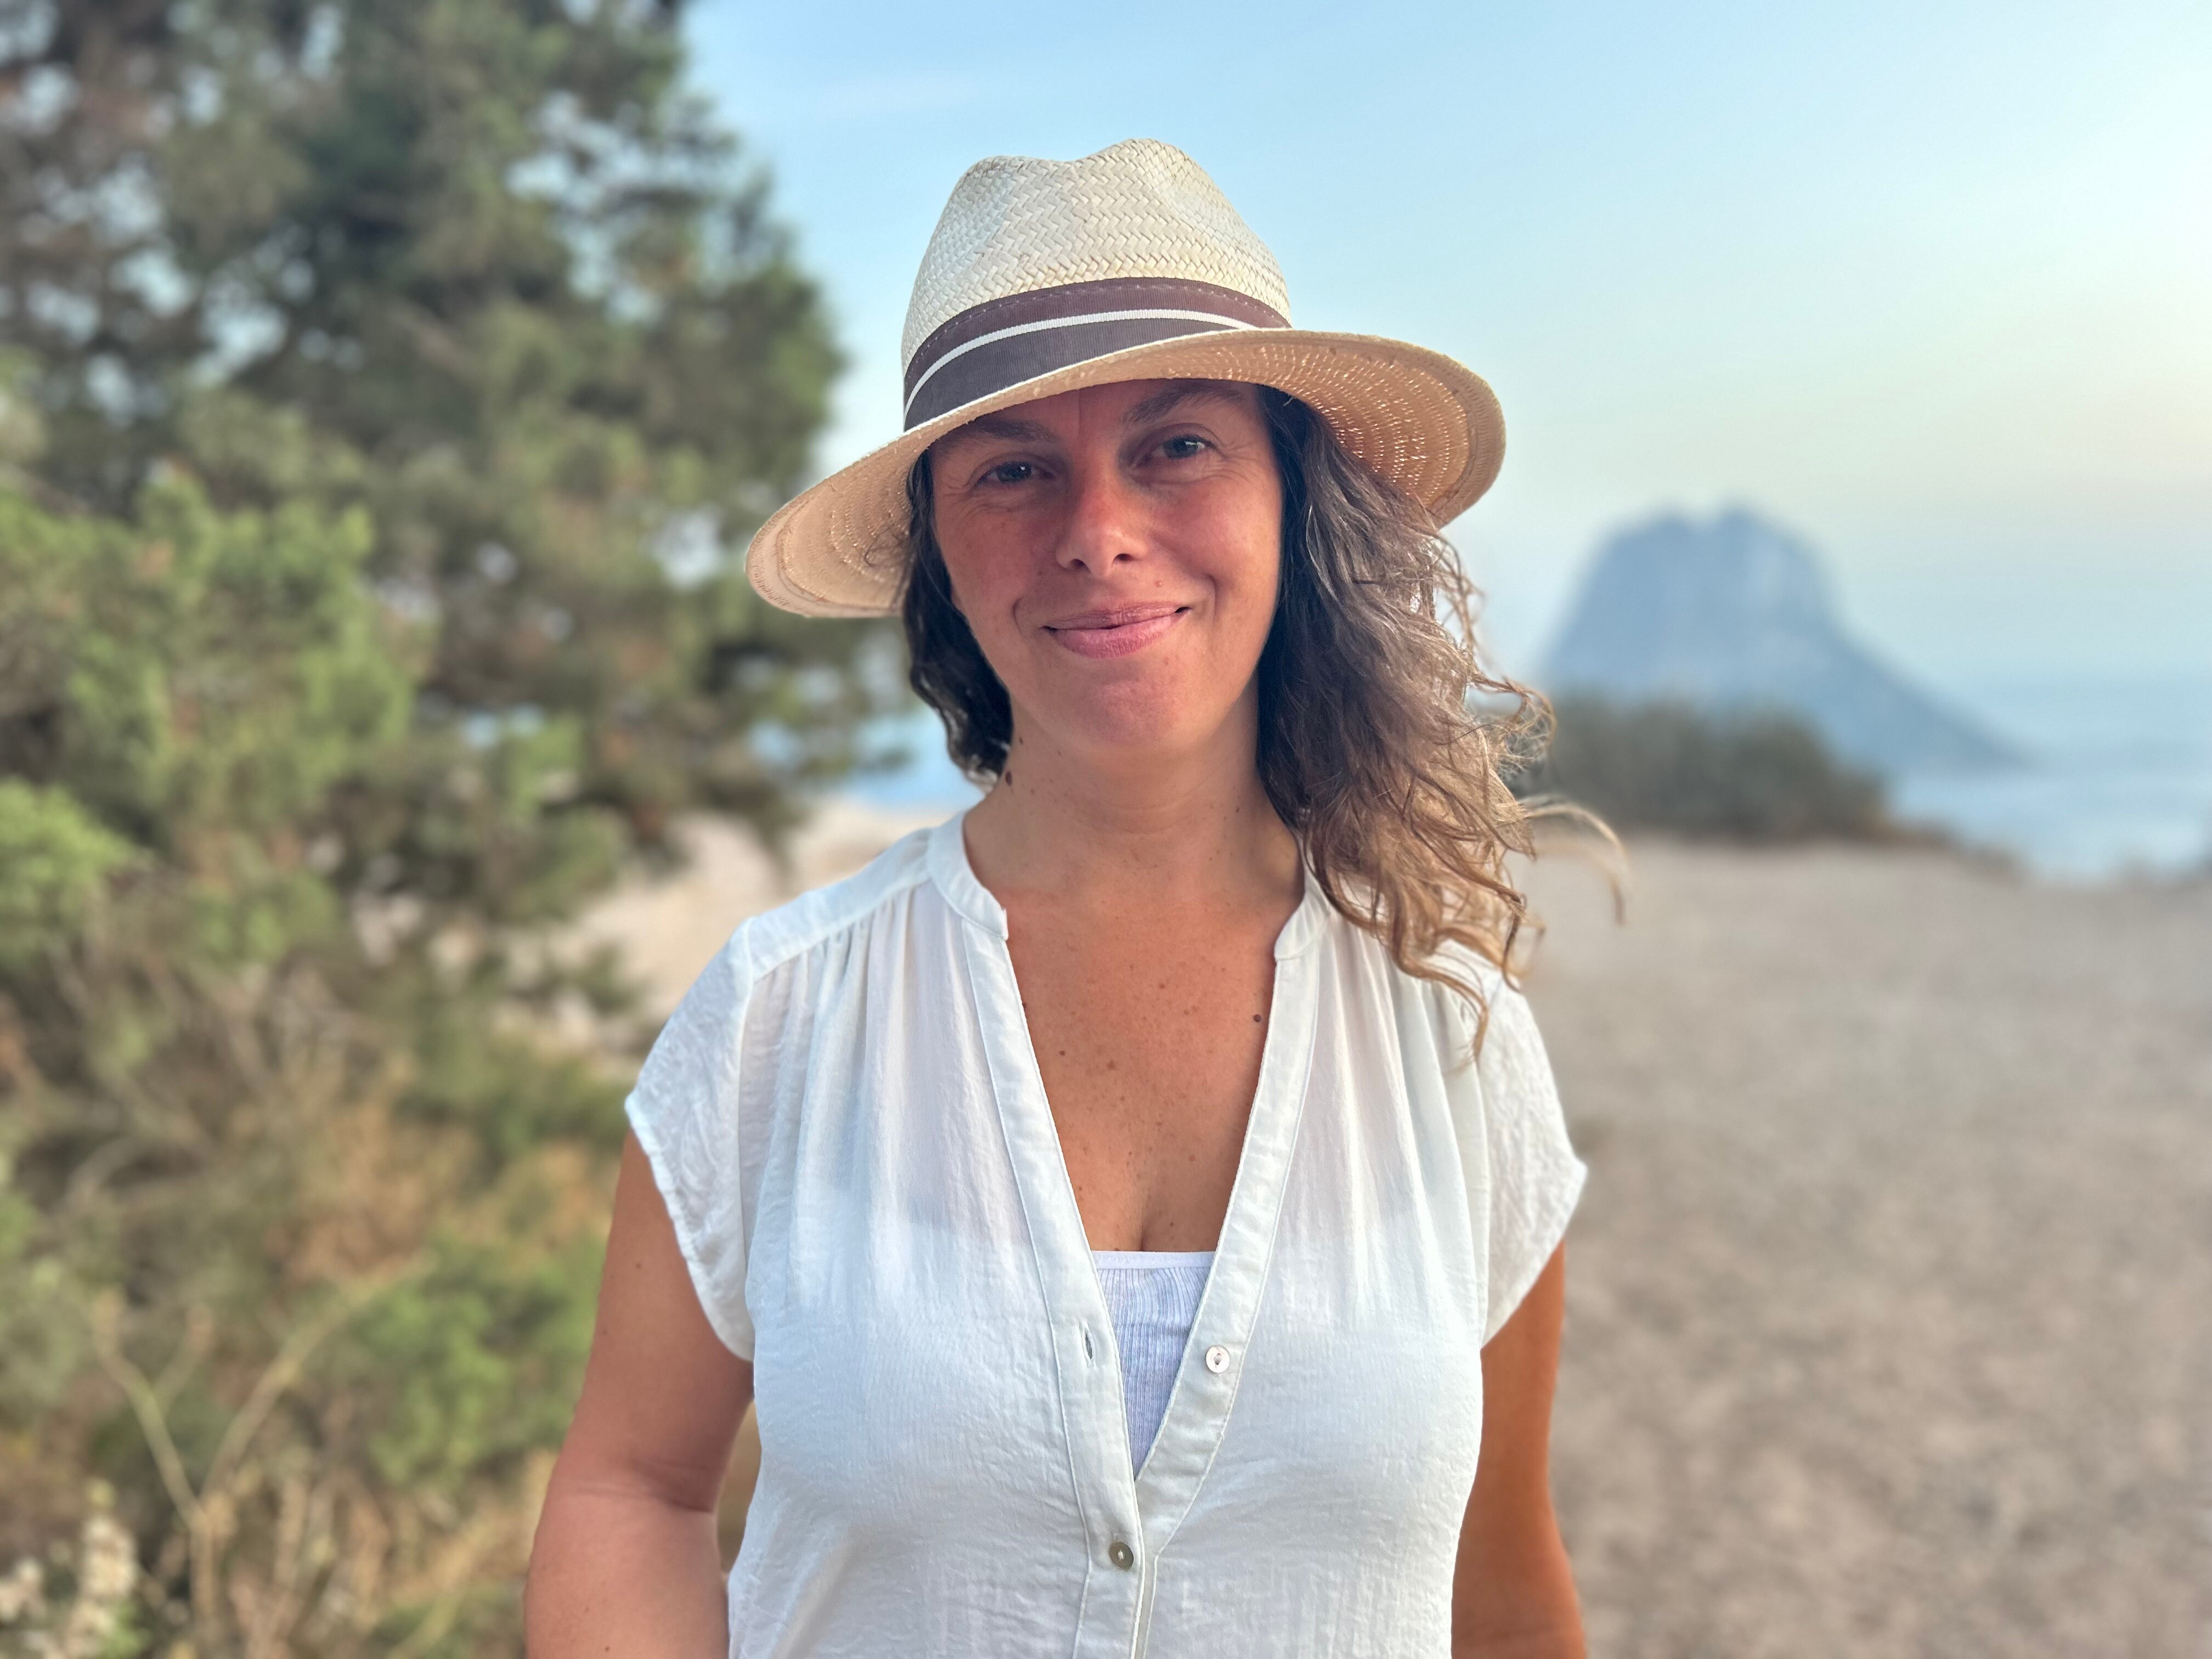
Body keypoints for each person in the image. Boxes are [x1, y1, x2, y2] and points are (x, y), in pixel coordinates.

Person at [526, 138, 1588, 1658]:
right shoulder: (781, 1015)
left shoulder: (1456, 1033)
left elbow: (1501, 1575)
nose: (1098, 529)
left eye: (1176, 447)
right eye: (1015, 467)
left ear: (1294, 495)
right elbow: (629, 1490)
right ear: (940, 556)